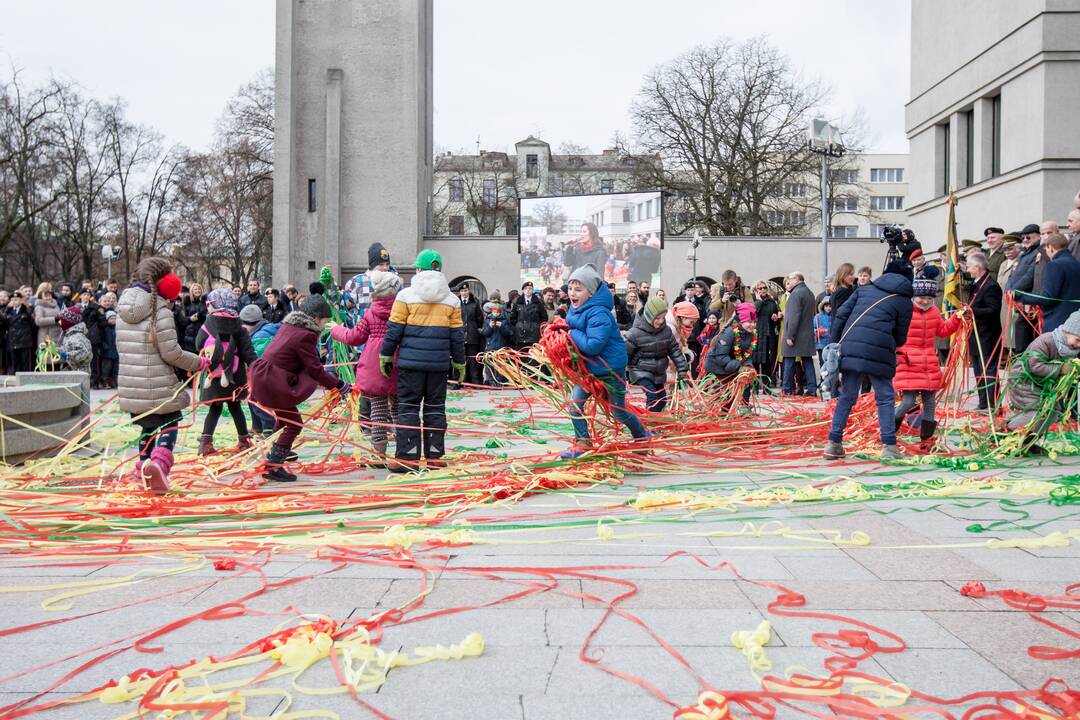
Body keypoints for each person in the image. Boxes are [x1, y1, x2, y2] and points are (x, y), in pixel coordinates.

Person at [117, 257, 207, 492]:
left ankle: (143, 470)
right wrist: (199, 362)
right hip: (157, 385)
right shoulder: (160, 311)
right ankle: (158, 466)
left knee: (147, 427)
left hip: (131, 385)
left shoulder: (123, 307)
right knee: (170, 422)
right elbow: (171, 353)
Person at [379, 249, 465, 472]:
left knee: (408, 408)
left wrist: (386, 354)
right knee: (435, 409)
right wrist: (460, 362)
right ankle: (435, 457)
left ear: (418, 269)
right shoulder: (452, 300)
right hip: (438, 366)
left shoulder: (405, 296)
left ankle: (407, 459)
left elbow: (394, 330)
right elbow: (457, 335)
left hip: (410, 365)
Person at [250, 294, 351, 482]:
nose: (324, 326)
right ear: (314, 318)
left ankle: (277, 452)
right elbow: (315, 369)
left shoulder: (290, 326)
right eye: (324, 321)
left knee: (286, 419)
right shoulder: (306, 334)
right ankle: (273, 466)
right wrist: (339, 385)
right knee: (294, 422)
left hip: (265, 376)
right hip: (273, 381)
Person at [823, 261, 913, 460]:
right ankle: (889, 446)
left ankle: (833, 443)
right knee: (885, 397)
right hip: (880, 350)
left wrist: (834, 343)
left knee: (847, 395)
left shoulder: (864, 290)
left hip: (851, 346)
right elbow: (901, 336)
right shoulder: (904, 301)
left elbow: (841, 316)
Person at [558, 264, 649, 459]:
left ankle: (642, 436)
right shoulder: (576, 309)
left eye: (578, 289)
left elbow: (593, 345)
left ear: (590, 293)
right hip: (588, 370)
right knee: (575, 405)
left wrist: (571, 333)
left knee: (619, 412)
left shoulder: (599, 313)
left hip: (609, 369)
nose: (572, 293)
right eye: (571, 288)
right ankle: (583, 444)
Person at [330, 270, 402, 463]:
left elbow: (354, 337)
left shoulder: (371, 313)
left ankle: (378, 455)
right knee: (399, 409)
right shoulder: (403, 311)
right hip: (399, 361)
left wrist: (336, 330)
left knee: (377, 410)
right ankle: (405, 451)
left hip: (375, 363)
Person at [893, 267, 964, 450]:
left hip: (928, 363)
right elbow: (894, 333)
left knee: (930, 401)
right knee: (908, 401)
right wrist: (898, 353)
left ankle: (926, 438)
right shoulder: (905, 310)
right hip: (908, 360)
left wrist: (957, 318)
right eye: (921, 298)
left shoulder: (933, 312)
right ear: (914, 296)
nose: (925, 301)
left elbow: (942, 331)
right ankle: (889, 428)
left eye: (929, 298)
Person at [195, 288, 258, 456]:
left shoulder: (208, 324)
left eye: (209, 304)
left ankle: (205, 443)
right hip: (234, 376)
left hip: (212, 374)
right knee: (236, 407)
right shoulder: (239, 326)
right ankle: (244, 440)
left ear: (215, 304)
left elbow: (198, 343)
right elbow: (248, 351)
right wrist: (257, 367)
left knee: (214, 409)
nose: (207, 307)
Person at [1005, 310, 1080, 434]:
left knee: (1053, 413)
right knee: (1037, 413)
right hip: (1024, 383)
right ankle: (1008, 431)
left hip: (1041, 386)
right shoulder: (1045, 341)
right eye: (1078, 339)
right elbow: (1035, 366)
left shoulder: (1070, 349)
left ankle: (1029, 439)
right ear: (1068, 331)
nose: (1078, 345)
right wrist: (1061, 369)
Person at [625, 297, 689, 413]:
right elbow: (624, 355)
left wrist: (682, 369)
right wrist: (623, 373)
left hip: (658, 372)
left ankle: (656, 421)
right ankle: (650, 425)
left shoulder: (666, 331)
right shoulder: (634, 333)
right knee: (653, 398)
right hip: (641, 371)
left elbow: (674, 350)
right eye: (657, 318)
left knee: (662, 399)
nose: (660, 321)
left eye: (663, 317)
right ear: (649, 316)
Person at [1014, 233, 1080, 333]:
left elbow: (1048, 297)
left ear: (1051, 247)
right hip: (1074, 322)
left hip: (1057, 323)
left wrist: (1019, 296)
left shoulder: (1054, 265)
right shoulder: (1076, 264)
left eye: (1046, 248)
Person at [704, 302, 758, 409]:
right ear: (740, 320)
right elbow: (721, 356)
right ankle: (723, 413)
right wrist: (739, 367)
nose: (752, 325)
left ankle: (744, 407)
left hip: (733, 364)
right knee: (728, 392)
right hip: (718, 366)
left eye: (754, 322)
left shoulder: (751, 334)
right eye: (748, 321)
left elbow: (748, 354)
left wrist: (748, 366)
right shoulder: (729, 333)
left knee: (745, 382)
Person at [967, 252, 1003, 410]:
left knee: (988, 370)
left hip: (988, 336)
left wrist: (972, 311)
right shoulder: (975, 283)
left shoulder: (991, 285)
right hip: (975, 334)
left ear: (977, 267)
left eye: (969, 266)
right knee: (978, 370)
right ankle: (983, 404)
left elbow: (993, 310)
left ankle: (992, 404)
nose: (967, 270)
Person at [240, 303, 279, 437]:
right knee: (251, 399)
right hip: (258, 375)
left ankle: (269, 428)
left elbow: (257, 359)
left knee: (258, 402)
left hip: (265, 375)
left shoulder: (260, 336)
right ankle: (257, 428)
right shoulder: (258, 331)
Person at [1006, 225, 1043, 353]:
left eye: (1028, 237)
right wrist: (1008, 289)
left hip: (1031, 304)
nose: (1025, 240)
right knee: (1021, 337)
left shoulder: (1040, 252)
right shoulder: (1023, 255)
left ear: (1038, 236)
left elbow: (1030, 276)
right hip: (1020, 302)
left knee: (1027, 340)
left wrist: (1014, 291)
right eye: (1023, 238)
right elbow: (1012, 274)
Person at [780, 272, 817, 395]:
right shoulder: (809, 293)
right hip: (807, 333)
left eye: (790, 279)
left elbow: (793, 317)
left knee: (789, 361)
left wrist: (790, 335)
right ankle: (812, 389)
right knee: (808, 361)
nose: (788, 282)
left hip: (796, 334)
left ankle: (786, 388)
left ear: (796, 279)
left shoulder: (795, 294)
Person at [751, 282, 781, 386]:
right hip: (756, 335)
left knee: (767, 362)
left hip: (768, 335)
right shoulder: (752, 301)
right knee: (754, 361)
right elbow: (753, 312)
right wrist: (759, 300)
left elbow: (777, 318)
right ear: (755, 290)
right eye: (760, 288)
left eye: (764, 288)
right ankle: (754, 385)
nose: (762, 290)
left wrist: (775, 319)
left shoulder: (772, 302)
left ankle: (766, 386)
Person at [456, 282, 485, 385]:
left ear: (469, 291)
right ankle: (459, 381)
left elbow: (480, 318)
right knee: (459, 361)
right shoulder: (456, 302)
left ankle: (475, 381)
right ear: (460, 292)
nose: (464, 293)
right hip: (459, 335)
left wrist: (477, 329)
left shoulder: (475, 302)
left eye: (466, 290)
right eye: (462, 291)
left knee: (473, 361)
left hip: (472, 335)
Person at [481, 299, 513, 385]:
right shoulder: (487, 321)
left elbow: (508, 333)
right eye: (494, 312)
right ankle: (490, 380)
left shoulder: (504, 321)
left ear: (500, 313)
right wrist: (490, 327)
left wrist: (502, 326)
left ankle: (499, 380)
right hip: (490, 345)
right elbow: (485, 333)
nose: (495, 314)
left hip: (500, 346)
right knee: (490, 364)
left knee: (500, 364)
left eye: (497, 313)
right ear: (492, 312)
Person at [4, 293, 35, 373]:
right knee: (16, 364)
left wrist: (27, 307)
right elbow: (4, 323)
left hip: (25, 341)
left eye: (16, 299)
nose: (14, 302)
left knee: (26, 364)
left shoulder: (27, 310)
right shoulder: (8, 311)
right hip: (13, 341)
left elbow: (33, 324)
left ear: (21, 300)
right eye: (12, 300)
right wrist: (7, 308)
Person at [56, 306, 92, 374]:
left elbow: (84, 352)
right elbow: (66, 349)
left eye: (61, 320)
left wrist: (67, 355)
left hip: (80, 373)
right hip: (72, 370)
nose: (59, 323)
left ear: (69, 322)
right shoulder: (69, 335)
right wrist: (55, 351)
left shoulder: (78, 336)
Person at [511, 281, 546, 350]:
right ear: (523, 290)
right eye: (526, 288)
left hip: (534, 335)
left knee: (533, 355)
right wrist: (519, 326)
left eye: (530, 288)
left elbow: (544, 317)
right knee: (521, 355)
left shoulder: (538, 302)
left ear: (532, 290)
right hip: (521, 334)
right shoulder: (517, 302)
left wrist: (536, 326)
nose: (528, 290)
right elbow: (513, 318)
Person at [34, 282, 62, 355]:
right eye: (46, 295)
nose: (48, 297)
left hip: (57, 335)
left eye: (50, 294)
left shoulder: (56, 305)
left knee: (57, 358)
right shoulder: (39, 307)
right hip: (46, 336)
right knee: (47, 360)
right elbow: (38, 321)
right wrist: (54, 319)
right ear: (41, 296)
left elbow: (59, 317)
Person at [99, 292, 119, 388]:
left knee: (116, 368)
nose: (113, 320)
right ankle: (104, 381)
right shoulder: (105, 328)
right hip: (107, 352)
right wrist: (104, 346)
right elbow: (102, 339)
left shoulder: (117, 328)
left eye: (115, 318)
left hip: (116, 351)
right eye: (111, 318)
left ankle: (115, 381)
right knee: (106, 368)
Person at [814, 298, 832, 363]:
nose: (828, 308)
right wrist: (817, 331)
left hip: (831, 343)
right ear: (823, 307)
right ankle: (823, 372)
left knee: (830, 361)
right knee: (822, 362)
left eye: (830, 306)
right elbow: (813, 328)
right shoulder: (818, 317)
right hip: (821, 343)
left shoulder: (833, 316)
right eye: (826, 306)